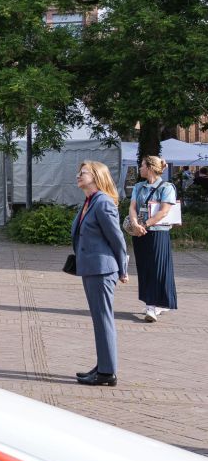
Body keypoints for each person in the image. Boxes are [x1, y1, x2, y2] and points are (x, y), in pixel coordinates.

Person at [72, 161, 129, 386]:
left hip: (102, 270)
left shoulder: (103, 203)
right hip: (91, 268)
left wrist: (123, 269)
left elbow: (117, 239)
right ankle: (103, 365)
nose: (78, 175)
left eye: (83, 173)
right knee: (99, 319)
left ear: (96, 176)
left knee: (103, 319)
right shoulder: (89, 202)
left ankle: (107, 372)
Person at [128, 155, 178, 322]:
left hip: (157, 232)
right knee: (144, 267)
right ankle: (157, 303)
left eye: (142, 165)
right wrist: (135, 223)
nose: (139, 168)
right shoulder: (139, 186)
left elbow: (164, 211)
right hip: (139, 232)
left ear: (149, 168)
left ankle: (152, 305)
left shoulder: (167, 187)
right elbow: (132, 206)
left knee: (157, 267)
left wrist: (145, 225)